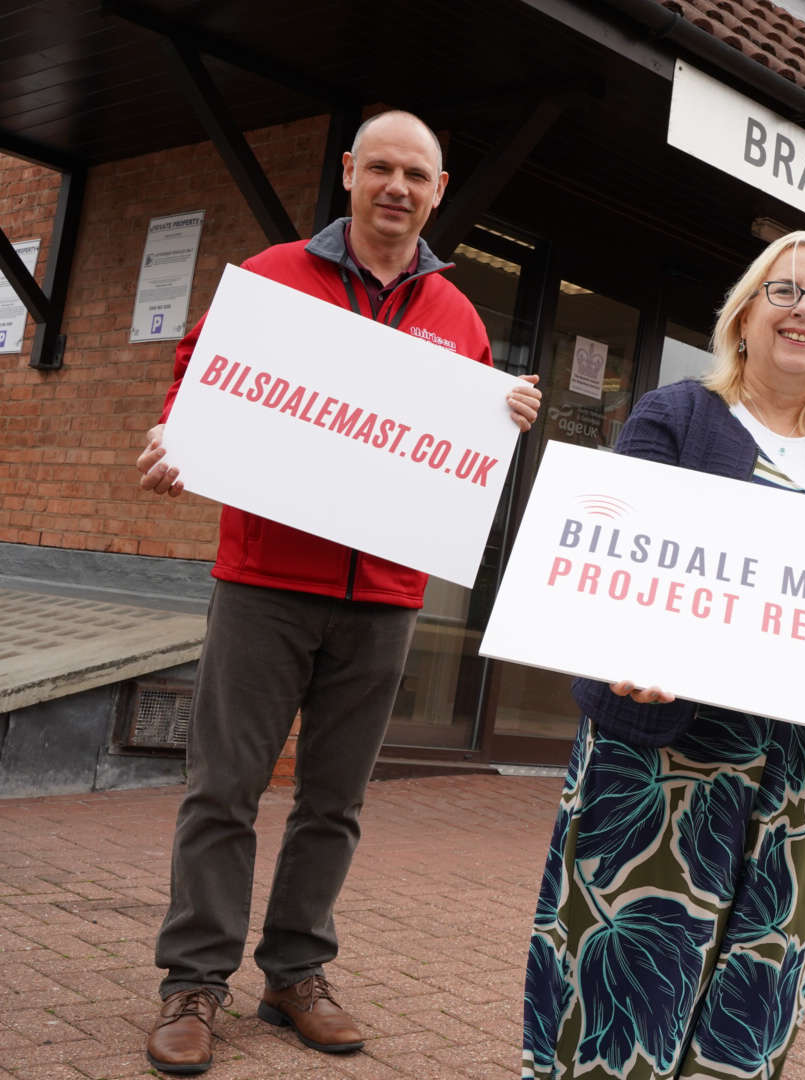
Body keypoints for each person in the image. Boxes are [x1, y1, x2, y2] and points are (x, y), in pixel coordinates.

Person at [134, 110, 543, 1074]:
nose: (398, 188)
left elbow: (456, 445)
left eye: (418, 175)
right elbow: (198, 379)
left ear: (439, 192)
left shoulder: (460, 320)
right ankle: (192, 982)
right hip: (265, 580)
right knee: (223, 791)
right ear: (350, 173)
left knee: (335, 801)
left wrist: (505, 414)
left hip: (386, 595)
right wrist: (173, 441)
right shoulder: (273, 278)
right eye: (382, 169)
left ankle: (294, 975)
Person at [522, 230, 805, 1080]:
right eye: (786, 291)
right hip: (662, 753)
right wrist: (622, 650)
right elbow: (613, 566)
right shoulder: (678, 415)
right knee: (629, 977)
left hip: (785, 772)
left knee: (751, 988)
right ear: (746, 314)